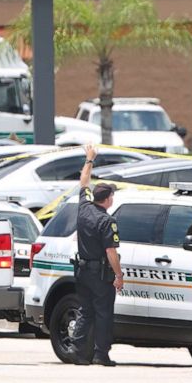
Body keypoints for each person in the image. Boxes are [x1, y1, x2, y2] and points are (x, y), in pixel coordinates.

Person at [70, 143, 123, 366]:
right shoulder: (106, 221)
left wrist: (89, 159)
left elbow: (83, 182)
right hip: (100, 275)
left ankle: (78, 352)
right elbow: (111, 252)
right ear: (108, 199)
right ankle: (101, 354)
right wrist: (119, 276)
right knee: (103, 314)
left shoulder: (84, 207)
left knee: (85, 311)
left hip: (82, 270)